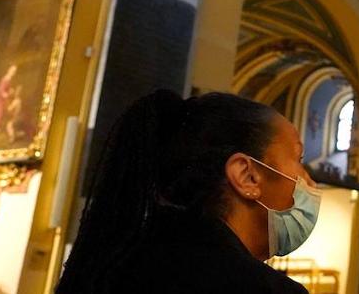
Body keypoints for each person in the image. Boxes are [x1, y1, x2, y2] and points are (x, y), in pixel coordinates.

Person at [56, 90, 321, 293]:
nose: (309, 180)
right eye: (298, 157)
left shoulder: (117, 264)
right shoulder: (255, 288)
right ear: (246, 175)